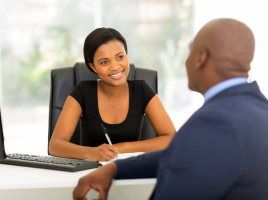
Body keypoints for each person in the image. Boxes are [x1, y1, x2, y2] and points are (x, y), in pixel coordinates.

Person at [73, 18, 268, 200]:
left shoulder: (213, 122)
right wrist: (115, 169)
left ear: (200, 57)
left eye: (190, 51)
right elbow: (180, 154)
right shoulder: (259, 108)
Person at [49, 28, 176, 161]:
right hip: (92, 172)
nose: (115, 67)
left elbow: (171, 138)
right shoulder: (83, 91)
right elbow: (55, 145)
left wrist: (119, 148)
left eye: (120, 57)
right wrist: (91, 153)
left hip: (132, 169)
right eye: (104, 62)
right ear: (93, 67)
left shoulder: (142, 90)